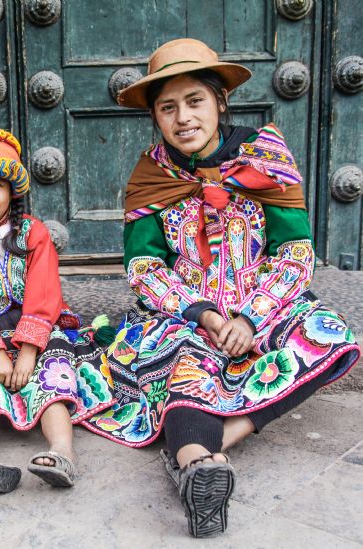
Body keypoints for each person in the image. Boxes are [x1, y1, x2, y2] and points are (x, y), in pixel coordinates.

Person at [85, 39, 360, 537]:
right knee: (188, 362)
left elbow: (295, 252)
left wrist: (252, 316)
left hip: (263, 311)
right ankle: (196, 461)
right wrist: (204, 314)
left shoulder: (264, 159)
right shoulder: (152, 176)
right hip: (186, 316)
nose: (183, 117)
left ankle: (206, 451)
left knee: (326, 333)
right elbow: (144, 265)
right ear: (155, 116)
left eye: (195, 101)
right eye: (168, 108)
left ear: (220, 102)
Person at [0, 129, 115, 492]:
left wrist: (30, 350)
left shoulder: (33, 233)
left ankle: (62, 454)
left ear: (12, 192)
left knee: (52, 384)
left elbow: (43, 290)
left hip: (40, 330)